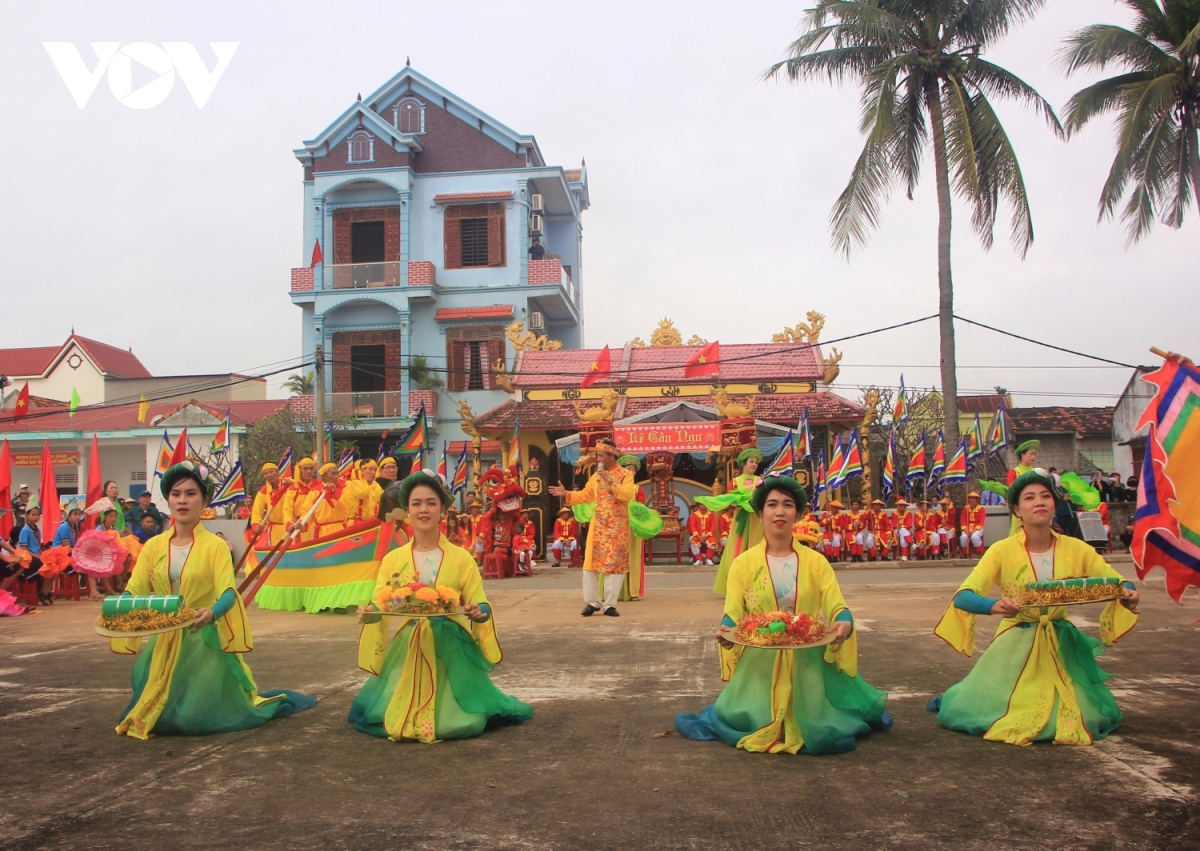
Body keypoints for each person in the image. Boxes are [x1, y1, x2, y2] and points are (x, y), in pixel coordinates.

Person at [675, 475, 892, 754]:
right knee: (745, 718)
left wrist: (843, 622)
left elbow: (836, 605)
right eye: (772, 504)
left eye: (788, 505)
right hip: (760, 658)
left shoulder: (816, 562)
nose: (780, 511)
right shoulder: (743, 564)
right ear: (760, 513)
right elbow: (732, 613)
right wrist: (725, 632)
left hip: (807, 655)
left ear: (798, 514)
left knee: (820, 723)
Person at [928, 469, 1139, 746]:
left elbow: (1117, 582)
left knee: (1084, 718)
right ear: (1017, 510)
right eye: (1029, 498)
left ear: (1054, 504)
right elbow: (963, 597)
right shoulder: (1002, 550)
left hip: (1060, 643)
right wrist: (995, 605)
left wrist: (1129, 594)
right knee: (987, 712)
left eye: (1045, 496)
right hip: (1015, 642)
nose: (1039, 502)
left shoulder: (1078, 549)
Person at [110, 462, 315, 739]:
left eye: (191, 493)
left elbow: (229, 591)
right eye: (175, 493)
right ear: (168, 499)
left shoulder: (214, 545)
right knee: (157, 715)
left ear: (204, 501)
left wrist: (213, 612)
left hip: (203, 636)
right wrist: (117, 608)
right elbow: (134, 590)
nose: (182, 500)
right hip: (165, 638)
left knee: (194, 718)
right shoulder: (154, 546)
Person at [352, 471, 533, 742]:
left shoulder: (461, 558)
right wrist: (368, 614)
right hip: (409, 644)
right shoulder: (393, 559)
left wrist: (478, 611)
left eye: (431, 503)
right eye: (416, 504)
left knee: (456, 725)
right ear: (407, 510)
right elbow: (380, 601)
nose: (423, 510)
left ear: (443, 508)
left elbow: (479, 599)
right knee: (387, 717)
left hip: (452, 645)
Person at [549, 438, 636, 617]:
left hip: (617, 528)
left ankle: (610, 604)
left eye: (602, 455)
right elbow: (586, 495)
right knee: (590, 565)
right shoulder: (596, 476)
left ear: (612, 456)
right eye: (598, 455)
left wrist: (610, 480)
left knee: (614, 566)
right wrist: (566, 494)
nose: (599, 459)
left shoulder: (625, 474)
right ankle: (593, 602)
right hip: (598, 526)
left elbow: (627, 495)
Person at [707, 449, 765, 594]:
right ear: (743, 464)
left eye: (756, 463)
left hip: (756, 518)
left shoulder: (760, 480)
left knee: (756, 546)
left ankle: (757, 583)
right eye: (751, 462)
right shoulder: (735, 482)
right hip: (740, 517)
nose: (754, 465)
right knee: (737, 548)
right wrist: (739, 499)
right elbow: (729, 499)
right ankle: (735, 584)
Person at [249, 462, 290, 548]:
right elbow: (256, 512)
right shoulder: (262, 492)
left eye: (271, 472)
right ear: (264, 477)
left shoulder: (287, 484)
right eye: (266, 473)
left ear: (277, 472)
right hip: (275, 529)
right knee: (276, 552)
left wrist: (291, 484)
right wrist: (256, 525)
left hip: (291, 526)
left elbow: (299, 486)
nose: (269, 475)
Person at [1006, 440, 1040, 536]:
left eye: (1035, 454)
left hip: (1035, 507)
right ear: (1023, 455)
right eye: (1031, 454)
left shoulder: (1037, 472)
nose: (1034, 456)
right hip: (1020, 509)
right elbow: (1011, 491)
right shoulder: (1014, 472)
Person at [282, 458, 320, 542]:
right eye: (305, 469)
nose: (309, 471)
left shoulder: (320, 486)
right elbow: (287, 510)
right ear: (299, 470)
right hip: (298, 526)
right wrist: (289, 523)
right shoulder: (293, 489)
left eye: (311, 468)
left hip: (316, 526)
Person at [687, 500, 717, 566]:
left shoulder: (711, 515)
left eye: (705, 505)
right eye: (702, 505)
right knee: (693, 543)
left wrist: (706, 536)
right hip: (698, 535)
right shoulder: (694, 515)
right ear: (699, 506)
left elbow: (713, 526)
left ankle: (708, 559)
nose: (703, 507)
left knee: (713, 543)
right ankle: (699, 560)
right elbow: (692, 526)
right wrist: (698, 536)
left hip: (708, 535)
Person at [959, 492, 986, 557]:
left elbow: (982, 521)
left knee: (974, 536)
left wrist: (974, 530)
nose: (972, 500)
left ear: (977, 500)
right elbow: (963, 520)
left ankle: (980, 552)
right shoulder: (965, 508)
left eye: (974, 498)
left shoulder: (981, 509)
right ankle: (965, 553)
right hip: (967, 527)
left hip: (978, 527)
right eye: (970, 498)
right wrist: (965, 530)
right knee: (963, 537)